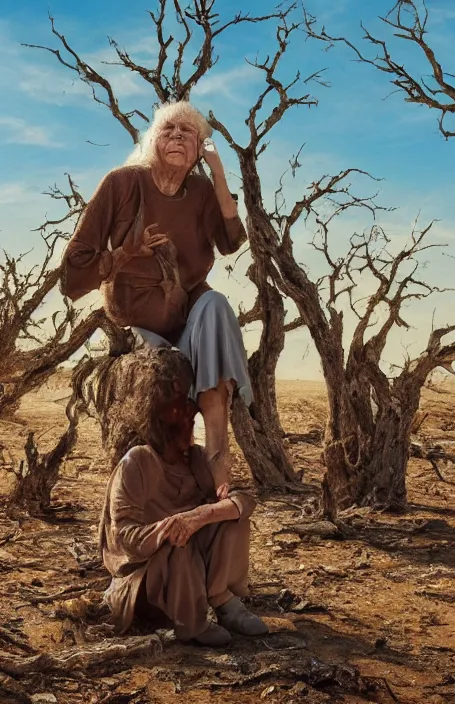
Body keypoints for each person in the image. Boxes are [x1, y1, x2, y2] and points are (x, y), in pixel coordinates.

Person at [61, 100, 251, 499]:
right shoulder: (122, 183)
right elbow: (74, 269)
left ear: (199, 148)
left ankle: (218, 460)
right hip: (138, 321)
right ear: (153, 140)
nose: (178, 136)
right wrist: (127, 253)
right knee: (164, 386)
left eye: (189, 133)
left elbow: (232, 241)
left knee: (216, 306)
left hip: (189, 313)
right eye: (169, 130)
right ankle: (156, 489)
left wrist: (217, 173)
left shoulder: (200, 189)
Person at [98, 346, 267, 647]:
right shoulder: (137, 461)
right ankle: (192, 624)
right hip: (143, 583)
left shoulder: (196, 459)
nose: (191, 413)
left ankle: (221, 599)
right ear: (155, 412)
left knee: (233, 519)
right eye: (180, 406)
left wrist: (200, 516)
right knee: (179, 542)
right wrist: (170, 528)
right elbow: (124, 538)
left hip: (187, 577)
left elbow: (245, 500)